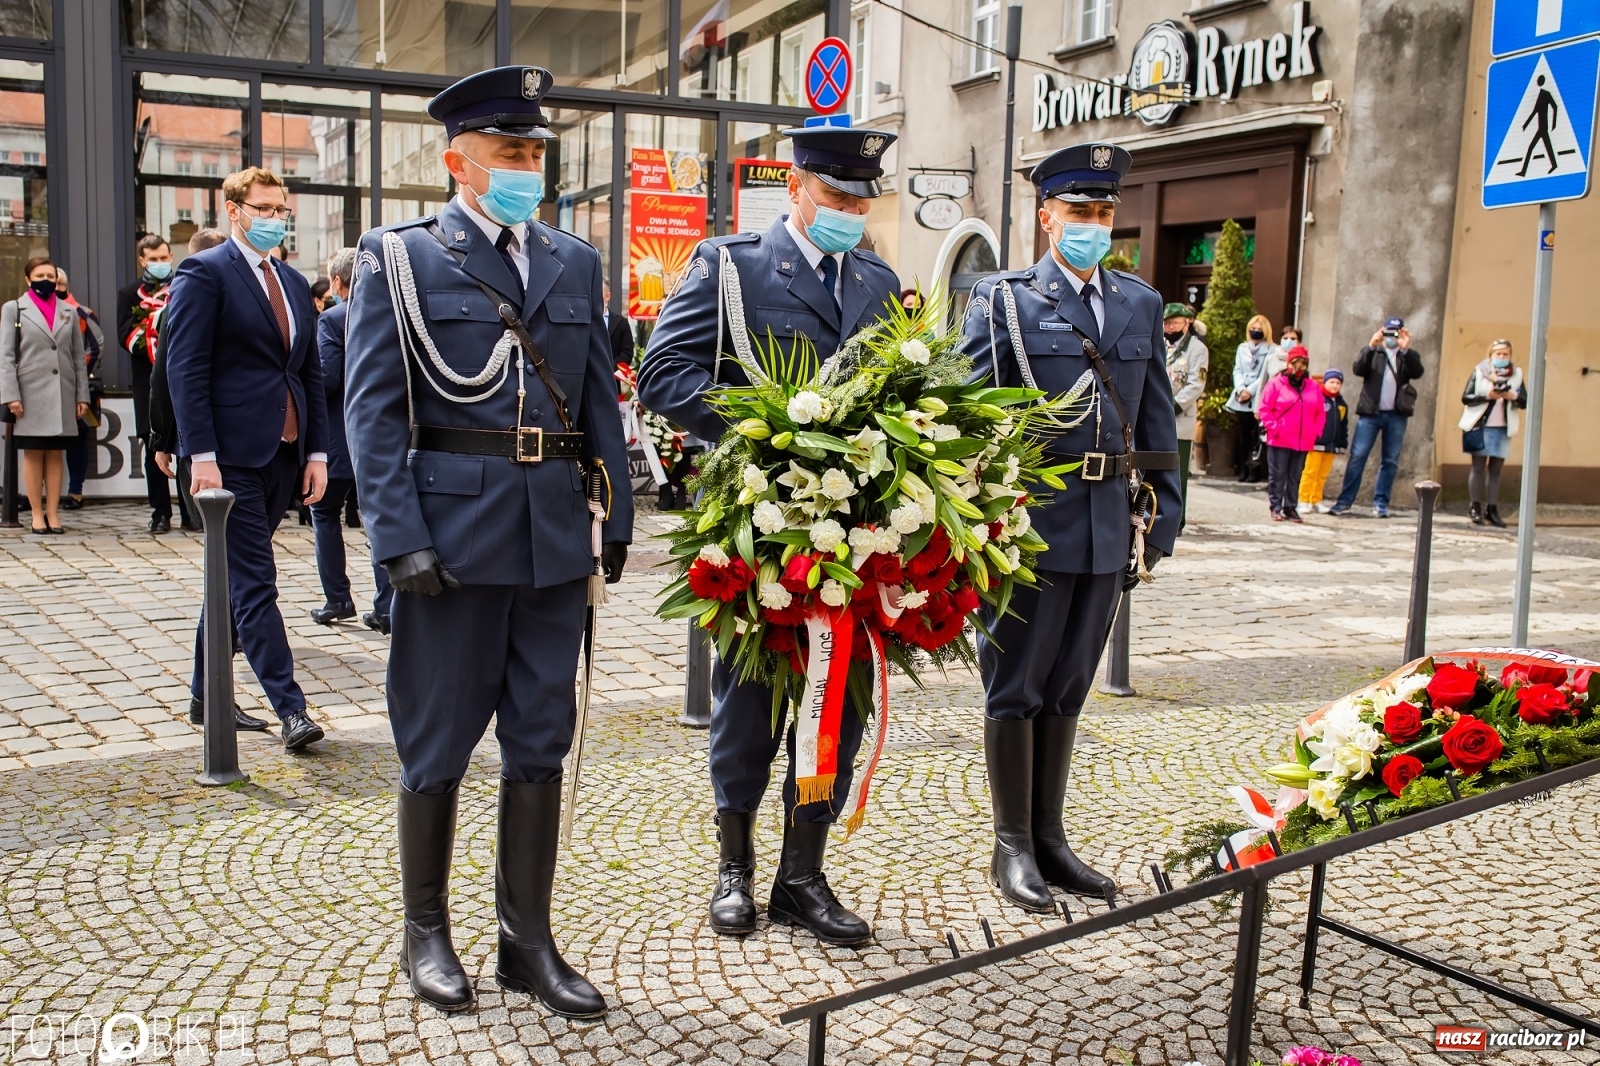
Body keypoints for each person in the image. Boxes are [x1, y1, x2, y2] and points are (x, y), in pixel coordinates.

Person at [345, 65, 633, 1019]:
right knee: (436, 745)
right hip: (453, 541)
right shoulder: (401, 258)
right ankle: (424, 931)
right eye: (510, 150)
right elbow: (375, 414)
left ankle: (526, 940)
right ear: (455, 161)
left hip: (553, 539)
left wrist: (618, 512)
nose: (528, 165)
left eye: (536, 150)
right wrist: (397, 540)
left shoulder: (573, 260)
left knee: (541, 743)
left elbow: (594, 396)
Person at [637, 122, 901, 947]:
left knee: (838, 704)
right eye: (836, 196)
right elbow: (664, 375)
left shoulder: (881, 280)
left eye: (862, 199)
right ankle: (735, 869)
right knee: (748, 699)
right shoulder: (732, 267)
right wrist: (774, 428)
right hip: (760, 526)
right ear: (795, 188)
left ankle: (803, 874)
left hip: (854, 534)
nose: (850, 211)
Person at [958, 143, 1180, 912]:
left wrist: (1164, 515)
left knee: (1070, 686)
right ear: (1046, 216)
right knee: (1015, 684)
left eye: (1103, 213)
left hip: (1109, 523)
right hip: (1031, 521)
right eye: (1078, 212)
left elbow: (1155, 419)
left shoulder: (1139, 303)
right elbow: (969, 415)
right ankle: (1011, 845)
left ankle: (1051, 838)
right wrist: (979, 519)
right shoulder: (1004, 300)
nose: (1092, 224)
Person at [164, 166, 330, 747]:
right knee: (257, 582)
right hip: (229, 456)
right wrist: (199, 454)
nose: (273, 219)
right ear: (232, 209)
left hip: (283, 452)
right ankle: (292, 709)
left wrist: (316, 451)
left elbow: (307, 371)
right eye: (262, 208)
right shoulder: (203, 272)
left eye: (280, 209)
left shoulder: (291, 279)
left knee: (231, 578)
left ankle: (203, 697)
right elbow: (185, 370)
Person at [308, 247, 394, 634]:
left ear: (339, 282)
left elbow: (325, 379)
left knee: (325, 514)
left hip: (339, 439)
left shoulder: (333, 319)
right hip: (384, 439)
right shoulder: (391, 314)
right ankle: (388, 606)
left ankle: (337, 598)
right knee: (377, 519)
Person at [2, 257, 90, 534]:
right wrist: (10, 395)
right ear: (28, 279)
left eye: (51, 276)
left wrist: (81, 396)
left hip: (63, 392)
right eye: (40, 275)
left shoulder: (69, 312)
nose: (46, 280)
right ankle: (36, 514)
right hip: (29, 394)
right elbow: (5, 356)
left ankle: (53, 514)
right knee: (33, 452)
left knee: (55, 454)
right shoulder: (14, 309)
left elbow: (78, 357)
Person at [151, 228, 228, 529]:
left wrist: (161, 439)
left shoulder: (179, 302)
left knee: (214, 530)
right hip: (244, 432)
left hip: (195, 431)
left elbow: (167, 375)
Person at [117, 234, 192, 533]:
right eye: (154, 259)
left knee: (188, 445)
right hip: (148, 381)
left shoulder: (184, 285)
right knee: (154, 448)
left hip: (183, 379)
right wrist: (155, 343)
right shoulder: (129, 293)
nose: (160, 263)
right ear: (142, 260)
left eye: (164, 257)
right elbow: (124, 333)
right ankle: (160, 512)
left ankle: (190, 511)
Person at [1329, 316, 1425, 518]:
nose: (1391, 337)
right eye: (1388, 332)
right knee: (1358, 456)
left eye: (1395, 333)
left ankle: (1381, 503)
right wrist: (1371, 345)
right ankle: (1344, 501)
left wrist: (1406, 349)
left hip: (1396, 415)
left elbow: (1418, 372)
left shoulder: (1406, 356)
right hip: (1370, 414)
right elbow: (1358, 369)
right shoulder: (1375, 353)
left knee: (1390, 461)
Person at [1459, 339, 1526, 528]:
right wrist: (1487, 396)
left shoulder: (1516, 374)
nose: (1502, 358)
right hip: (1480, 426)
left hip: (1503, 428)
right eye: (1498, 354)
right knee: (1478, 467)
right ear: (1491, 355)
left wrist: (1513, 396)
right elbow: (1466, 397)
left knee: (1496, 470)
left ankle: (1492, 509)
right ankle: (1475, 507)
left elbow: (1525, 401)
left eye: (1506, 355)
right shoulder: (1480, 371)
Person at [1257, 345, 1325, 523]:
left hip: (1303, 439)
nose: (1300, 368)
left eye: (1304, 364)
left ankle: (1291, 507)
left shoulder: (1312, 387)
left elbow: (1320, 412)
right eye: (1296, 363)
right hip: (1280, 438)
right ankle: (1276, 507)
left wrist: (1316, 432)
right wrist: (1275, 428)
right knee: (1277, 475)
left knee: (1295, 476)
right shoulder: (1276, 383)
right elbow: (1265, 409)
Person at [54, 269, 104, 512]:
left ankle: (75, 491)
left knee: (78, 440)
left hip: (80, 387)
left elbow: (96, 346)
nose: (56, 287)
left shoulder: (82, 312)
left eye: (60, 283)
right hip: (47, 389)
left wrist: (73, 372)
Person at [1163, 302, 1207, 529]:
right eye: (1167, 323)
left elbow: (1196, 384)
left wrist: (1173, 406)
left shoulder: (1197, 349)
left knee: (1177, 472)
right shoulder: (1161, 345)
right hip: (1157, 417)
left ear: (1186, 323)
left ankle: (1177, 520)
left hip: (1180, 418)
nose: (1170, 328)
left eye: (1174, 323)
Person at [1227, 314, 1277, 483]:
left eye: (1259, 329)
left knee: (1257, 437)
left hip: (1258, 396)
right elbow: (1237, 369)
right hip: (1242, 398)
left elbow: (1265, 375)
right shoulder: (1242, 348)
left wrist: (1251, 390)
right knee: (1243, 436)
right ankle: (1242, 468)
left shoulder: (1272, 349)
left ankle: (1254, 470)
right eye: (1253, 329)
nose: (1255, 331)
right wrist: (1241, 389)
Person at [1298, 367, 1348, 514]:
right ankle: (1303, 499)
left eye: (1338, 383)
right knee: (1310, 472)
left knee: (1322, 475)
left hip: (1331, 446)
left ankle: (1316, 500)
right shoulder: (1317, 399)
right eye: (1331, 382)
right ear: (1325, 382)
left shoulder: (1341, 404)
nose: (1334, 385)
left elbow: (1343, 425)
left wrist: (1341, 444)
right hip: (1316, 444)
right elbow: (1309, 420)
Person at [602, 278, 634, 366]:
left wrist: (610, 368)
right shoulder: (586, 322)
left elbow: (627, 353)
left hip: (612, 377)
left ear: (607, 296)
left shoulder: (621, 323)